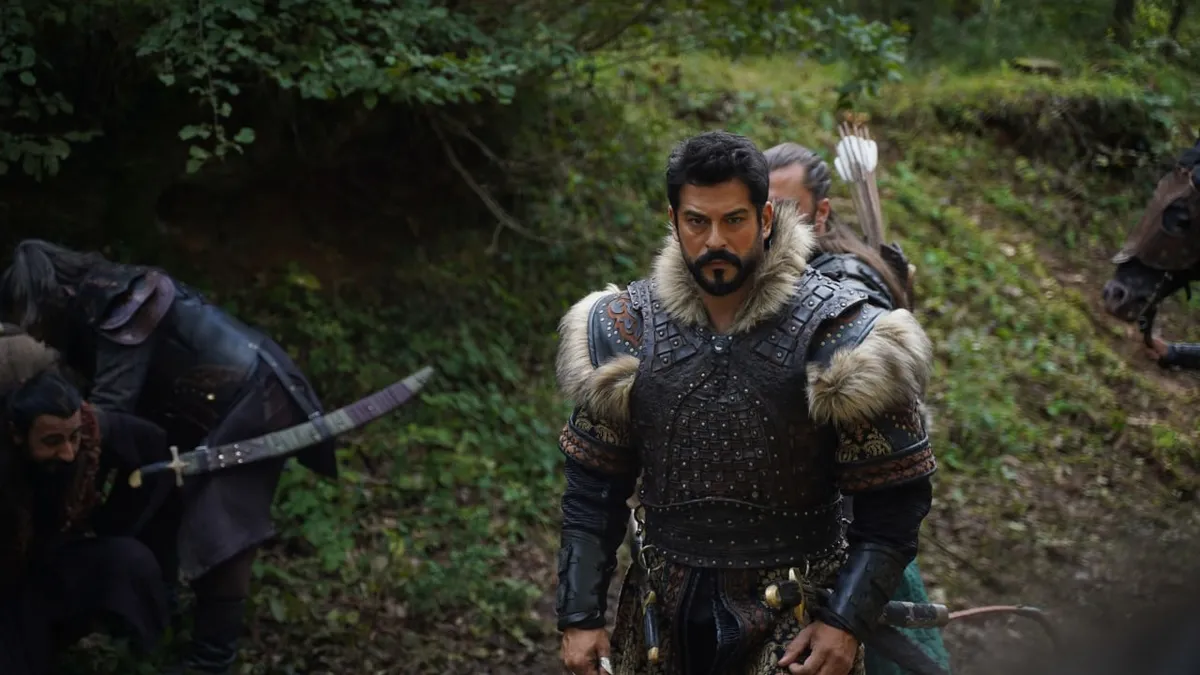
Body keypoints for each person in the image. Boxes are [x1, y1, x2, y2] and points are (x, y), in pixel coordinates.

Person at [554, 130, 938, 675]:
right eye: (697, 221)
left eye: (734, 220)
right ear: (673, 220)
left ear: (765, 218)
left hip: (798, 617)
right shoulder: (625, 329)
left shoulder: (841, 334)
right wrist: (579, 614)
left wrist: (845, 621)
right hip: (662, 616)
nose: (715, 240)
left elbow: (894, 503)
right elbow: (593, 490)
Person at [0, 242, 339, 674]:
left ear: (53, 296)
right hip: (198, 412)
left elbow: (110, 408)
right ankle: (162, 613)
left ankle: (211, 660)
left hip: (251, 400)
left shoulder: (122, 303)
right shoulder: (95, 306)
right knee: (163, 499)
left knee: (222, 529)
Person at [763, 142, 952, 675]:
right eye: (761, 208)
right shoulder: (781, 276)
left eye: (787, 209)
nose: (768, 225)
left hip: (846, 530)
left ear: (821, 213)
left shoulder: (845, 286)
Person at [0, 369, 175, 674]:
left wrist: (111, 522)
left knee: (130, 561)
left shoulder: (92, 429)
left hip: (53, 559)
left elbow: (153, 448)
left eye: (73, 438)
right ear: (17, 434)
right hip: (6, 576)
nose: (68, 453)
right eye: (52, 441)